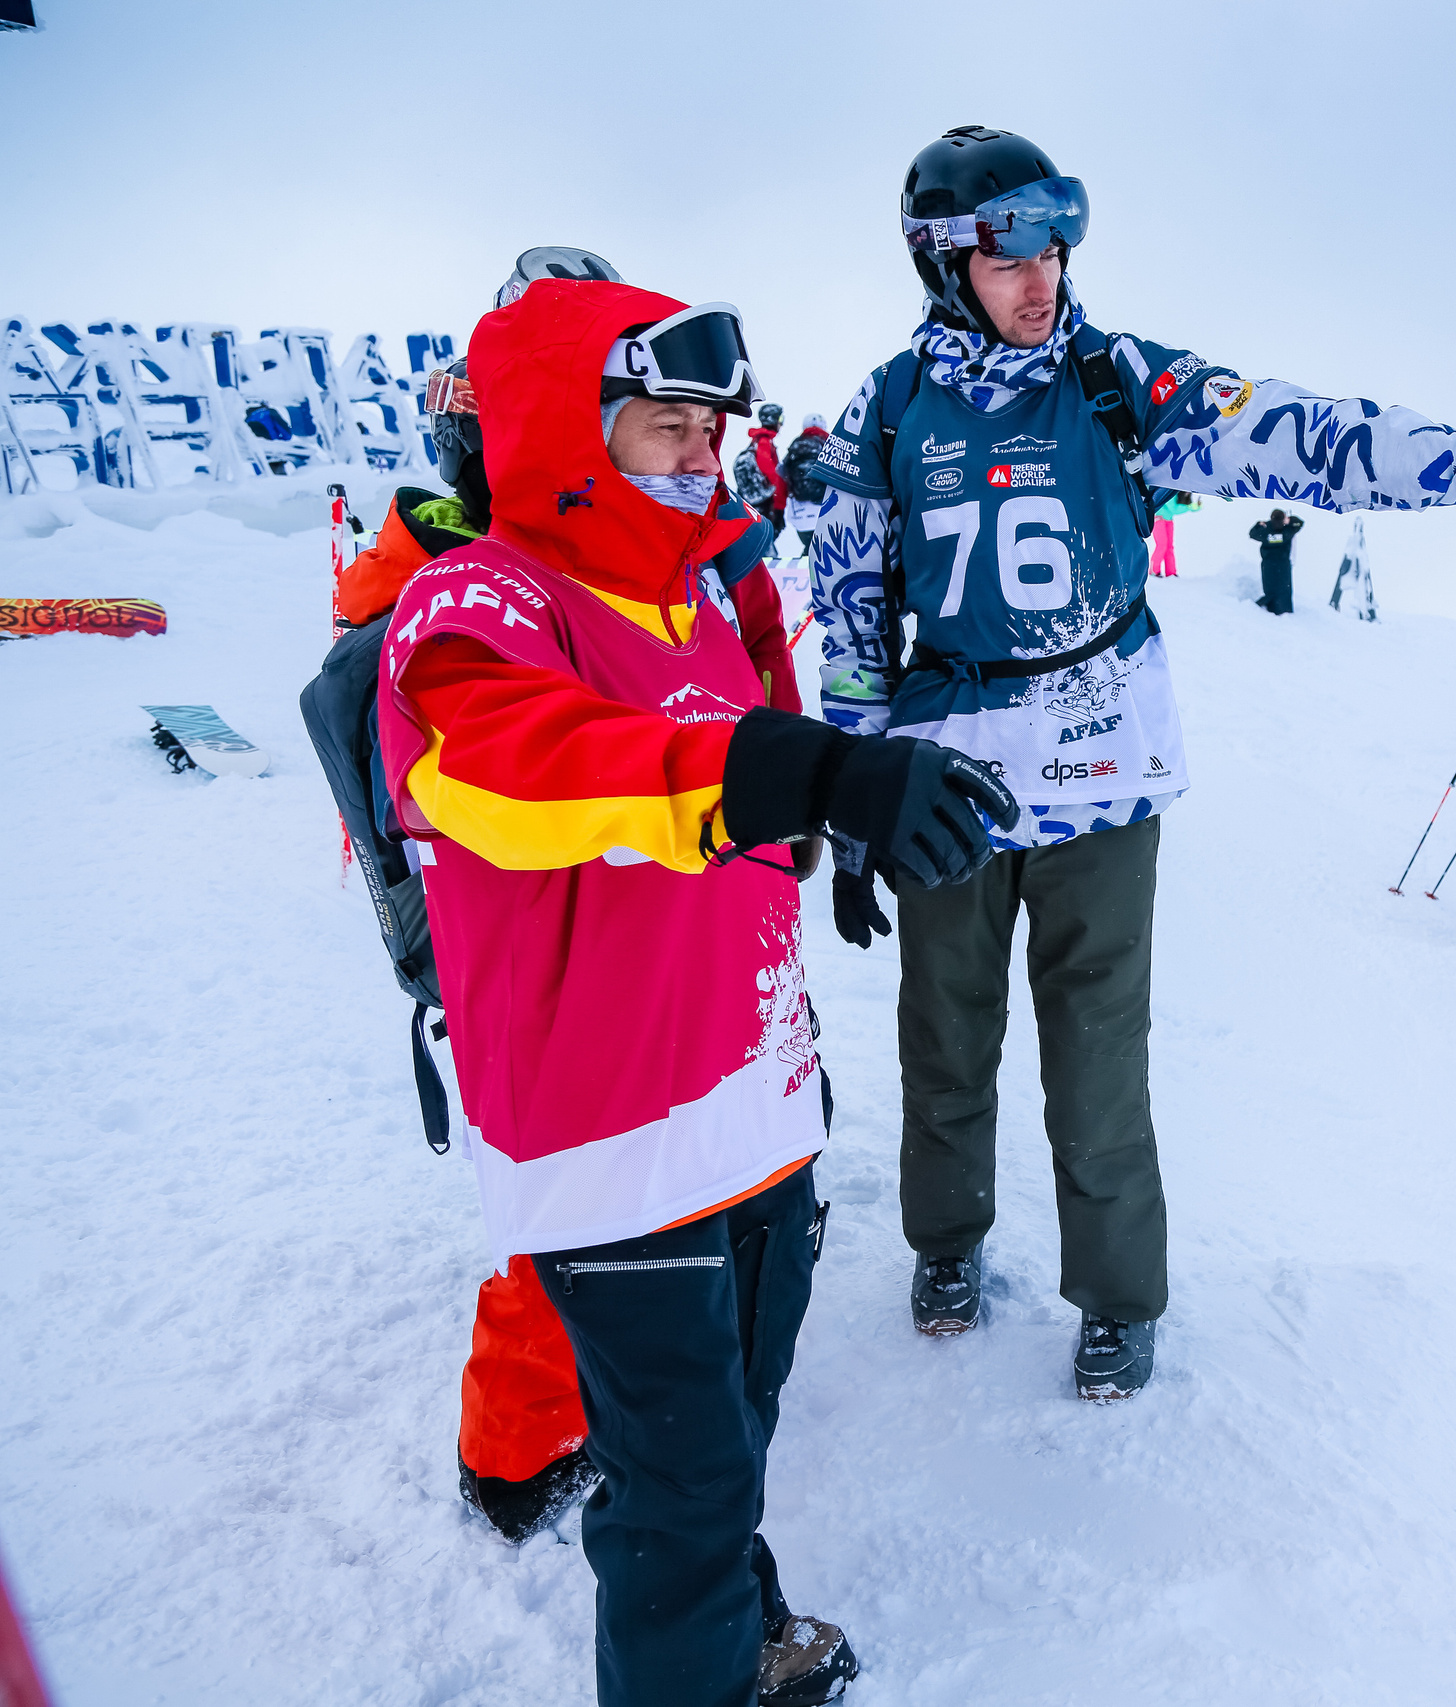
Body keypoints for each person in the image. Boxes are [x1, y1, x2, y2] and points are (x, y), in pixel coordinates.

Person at [804, 125, 1456, 1401]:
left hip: (1099, 767)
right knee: (945, 1034)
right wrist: (857, 796)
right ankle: (948, 1243)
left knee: (1097, 1049)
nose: (1044, 272)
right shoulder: (887, 410)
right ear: (941, 259)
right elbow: (857, 614)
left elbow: (1303, 435)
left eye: (1059, 235)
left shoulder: (1116, 383)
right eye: (1010, 246)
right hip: (949, 777)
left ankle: (1117, 1297)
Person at [378, 275, 1015, 1706]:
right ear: (562, 429)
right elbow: (517, 763)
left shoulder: (702, 592)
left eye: (705, 434)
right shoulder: (479, 599)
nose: (696, 460)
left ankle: (739, 1629)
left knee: (727, 1429)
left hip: (752, 1098)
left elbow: (757, 771)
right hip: (614, 1133)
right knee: (679, 1478)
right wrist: (794, 773)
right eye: (663, 428)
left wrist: (834, 815)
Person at [336, 248, 806, 1549]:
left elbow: (746, 635)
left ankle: (629, 1426)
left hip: (681, 876)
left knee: (645, 1202)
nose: (688, 446)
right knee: (578, 1205)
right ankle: (517, 1447)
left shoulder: (692, 537)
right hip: (522, 892)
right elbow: (438, 717)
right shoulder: (457, 567)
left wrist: (789, 779)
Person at [735, 400, 789, 538]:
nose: (781, 424)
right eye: (780, 419)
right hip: (764, 505)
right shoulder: (764, 442)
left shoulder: (758, 441)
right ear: (773, 420)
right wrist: (778, 506)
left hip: (756, 501)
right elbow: (771, 474)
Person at [780, 413, 832, 553]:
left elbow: (781, 472)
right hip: (823, 509)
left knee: (809, 549)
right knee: (825, 550)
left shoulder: (795, 446)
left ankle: (802, 571)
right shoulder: (826, 444)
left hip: (799, 514)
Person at [1248, 507, 1303, 612]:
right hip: (1283, 563)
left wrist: (1259, 524)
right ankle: (1283, 610)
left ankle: (1269, 608)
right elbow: (1299, 523)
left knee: (1271, 589)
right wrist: (1290, 520)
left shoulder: (1266, 529)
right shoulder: (1288, 529)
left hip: (1269, 563)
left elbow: (1252, 534)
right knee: (1284, 589)